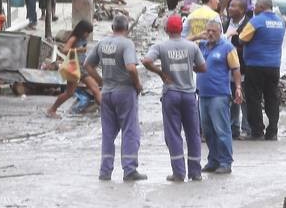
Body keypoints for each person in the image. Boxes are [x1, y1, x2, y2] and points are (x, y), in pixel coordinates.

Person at [142, 15, 207, 183]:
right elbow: (203, 67)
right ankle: (195, 172)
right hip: (189, 95)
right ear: (181, 29)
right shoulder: (192, 46)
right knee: (193, 133)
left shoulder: (161, 46)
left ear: (166, 30)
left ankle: (178, 173)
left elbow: (146, 61)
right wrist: (189, 68)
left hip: (171, 94)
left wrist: (161, 73)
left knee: (173, 134)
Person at [84, 15, 146, 182]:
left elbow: (87, 65)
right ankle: (129, 169)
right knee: (130, 131)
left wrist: (101, 81)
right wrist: (138, 84)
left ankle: (105, 171)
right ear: (127, 29)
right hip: (125, 92)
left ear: (112, 27)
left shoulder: (102, 43)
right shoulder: (127, 44)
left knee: (108, 134)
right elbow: (131, 68)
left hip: (107, 93)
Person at [198, 18, 243, 174]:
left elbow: (236, 69)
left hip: (219, 94)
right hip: (203, 94)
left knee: (221, 129)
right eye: (208, 30)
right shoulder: (202, 46)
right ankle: (213, 160)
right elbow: (184, 41)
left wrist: (238, 88)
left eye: (214, 31)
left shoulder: (227, 47)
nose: (210, 33)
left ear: (220, 32)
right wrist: (198, 36)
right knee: (207, 130)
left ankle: (225, 162)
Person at [239, 0, 286, 140]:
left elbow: (242, 38)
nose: (253, 9)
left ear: (261, 6)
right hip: (274, 65)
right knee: (272, 98)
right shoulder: (280, 22)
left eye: (256, 6)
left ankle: (257, 131)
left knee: (253, 98)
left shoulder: (256, 21)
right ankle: (273, 131)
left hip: (255, 65)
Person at [47, 21, 101, 118]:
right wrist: (78, 50)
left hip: (83, 67)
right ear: (81, 31)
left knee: (95, 88)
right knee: (69, 93)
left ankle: (106, 112)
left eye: (89, 33)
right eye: (87, 32)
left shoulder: (83, 39)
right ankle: (52, 109)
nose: (87, 35)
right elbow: (64, 50)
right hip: (74, 67)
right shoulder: (74, 38)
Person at [225, 0, 253, 139]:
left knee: (244, 99)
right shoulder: (225, 24)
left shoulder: (249, 24)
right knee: (231, 99)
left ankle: (247, 129)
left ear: (242, 10)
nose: (230, 8)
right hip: (227, 69)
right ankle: (233, 128)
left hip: (243, 67)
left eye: (233, 6)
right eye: (230, 6)